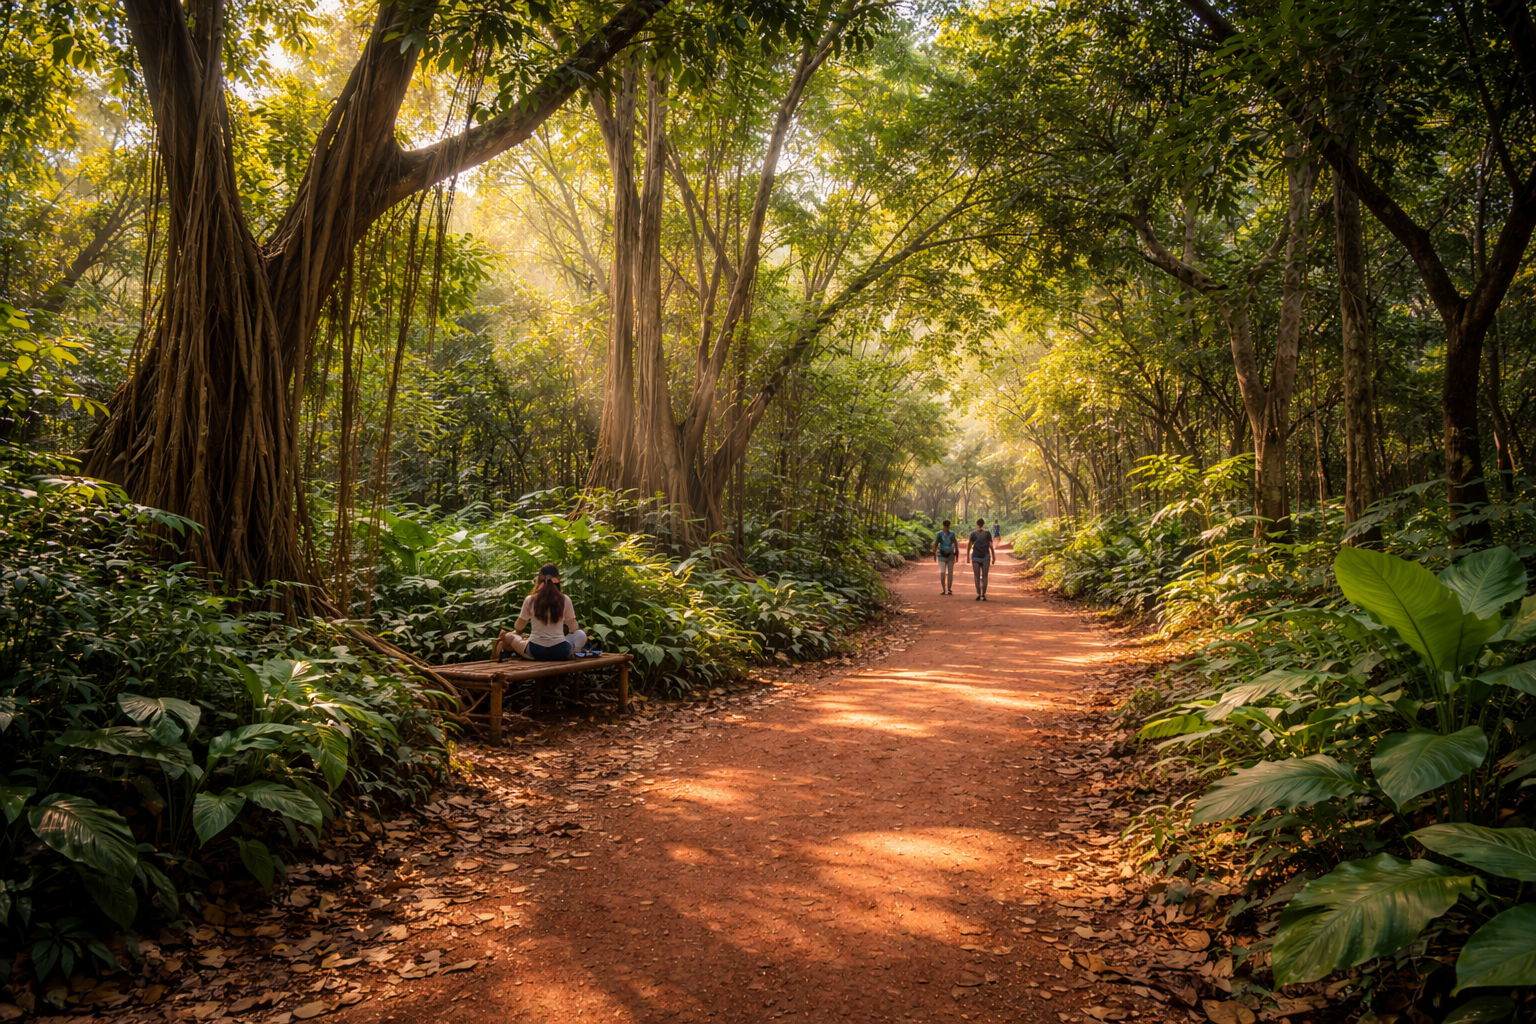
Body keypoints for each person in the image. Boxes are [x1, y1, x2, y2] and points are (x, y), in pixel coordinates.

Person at [493, 563, 588, 661]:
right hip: (561, 651)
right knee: (580, 634)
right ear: (557, 580)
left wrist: (518, 632)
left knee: (508, 636)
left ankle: (507, 653)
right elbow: (574, 628)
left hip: (535, 651)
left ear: (539, 579)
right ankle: (574, 653)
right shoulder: (565, 599)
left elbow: (518, 627)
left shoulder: (530, 599)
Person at [967, 517, 994, 601]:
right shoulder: (987, 533)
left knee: (977, 576)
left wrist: (968, 556)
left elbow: (969, 544)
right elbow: (990, 545)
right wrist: (993, 556)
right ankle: (983, 594)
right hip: (986, 556)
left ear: (977, 524)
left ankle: (978, 594)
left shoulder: (973, 534)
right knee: (985, 576)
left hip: (975, 557)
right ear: (983, 524)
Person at [934, 519, 958, 594]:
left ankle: (949, 588)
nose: (946, 528)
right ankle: (943, 589)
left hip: (950, 555)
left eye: (947, 527)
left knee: (950, 573)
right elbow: (936, 543)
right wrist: (934, 554)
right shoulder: (939, 534)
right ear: (943, 526)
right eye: (945, 527)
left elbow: (955, 543)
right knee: (942, 573)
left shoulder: (952, 534)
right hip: (941, 555)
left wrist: (956, 553)